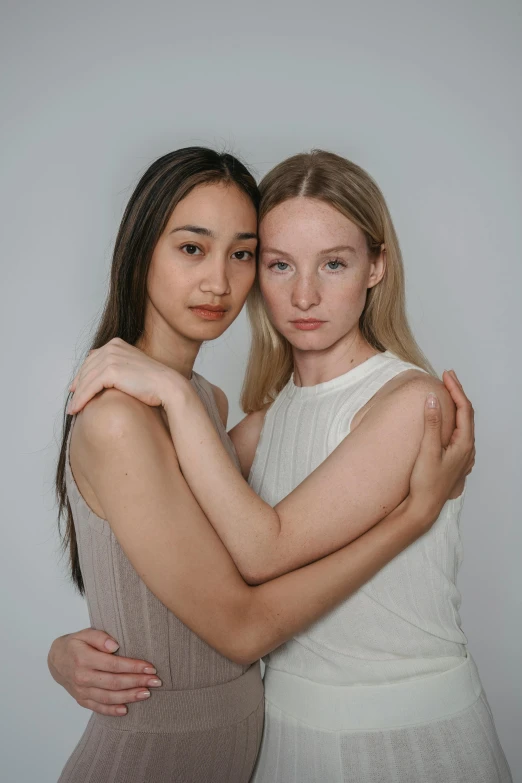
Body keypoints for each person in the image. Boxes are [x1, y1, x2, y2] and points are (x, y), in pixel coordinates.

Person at [50, 148, 477, 783]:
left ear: (376, 266)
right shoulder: (179, 416)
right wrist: (64, 653)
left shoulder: (215, 406)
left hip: (323, 743)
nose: (219, 282)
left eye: (242, 254)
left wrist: (172, 392)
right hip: (202, 751)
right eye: (192, 248)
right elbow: (217, 599)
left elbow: (235, 558)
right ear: (141, 252)